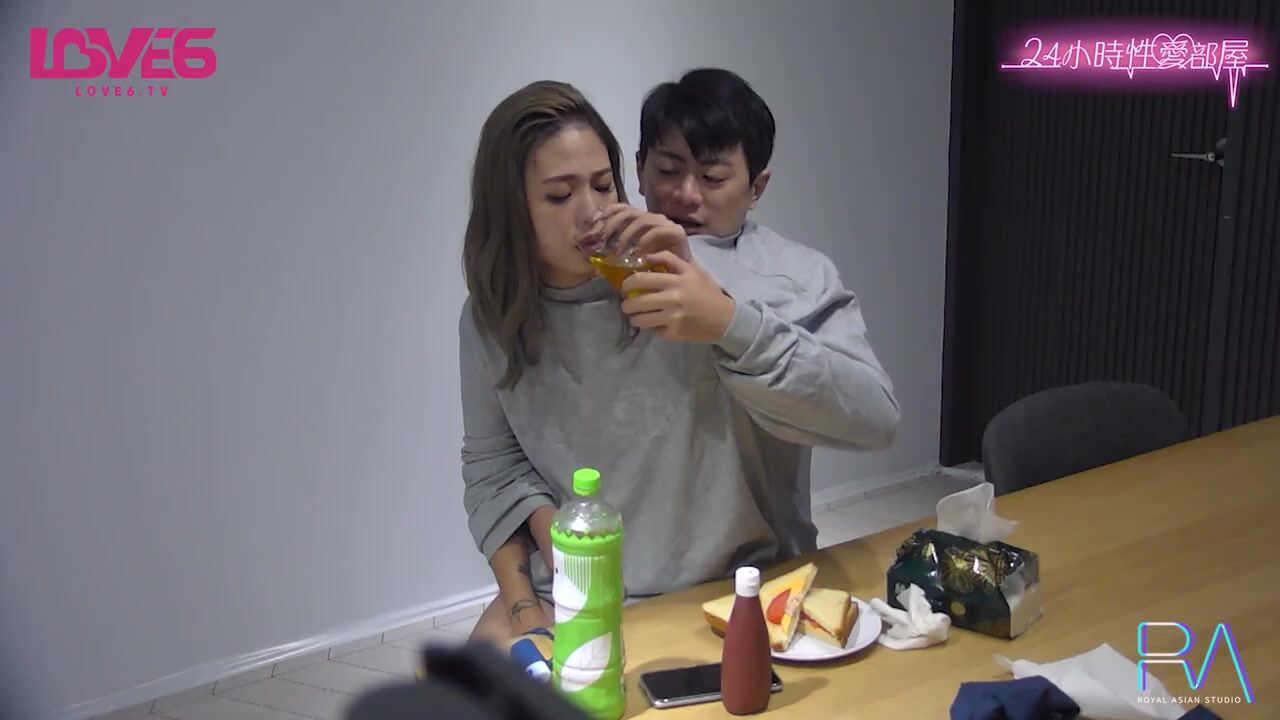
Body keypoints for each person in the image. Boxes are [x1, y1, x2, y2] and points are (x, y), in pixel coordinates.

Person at [459, 76, 899, 646]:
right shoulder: (493, 315)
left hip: (738, 588)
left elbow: (874, 417)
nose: (591, 212)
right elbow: (495, 468)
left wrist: (725, 322)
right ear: (641, 171)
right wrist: (535, 596)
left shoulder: (747, 278)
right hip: (575, 589)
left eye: (601, 185)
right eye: (560, 195)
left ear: (757, 185)